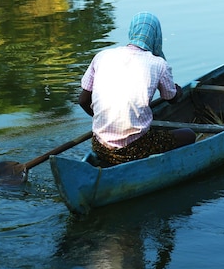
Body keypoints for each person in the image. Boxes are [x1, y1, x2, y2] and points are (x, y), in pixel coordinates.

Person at [78, 12, 196, 165]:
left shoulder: (102, 56)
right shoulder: (158, 63)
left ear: (132, 31)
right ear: (156, 36)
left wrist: (103, 121)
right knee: (189, 135)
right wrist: (178, 90)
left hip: (100, 146)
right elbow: (171, 98)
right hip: (135, 148)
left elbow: (82, 100)